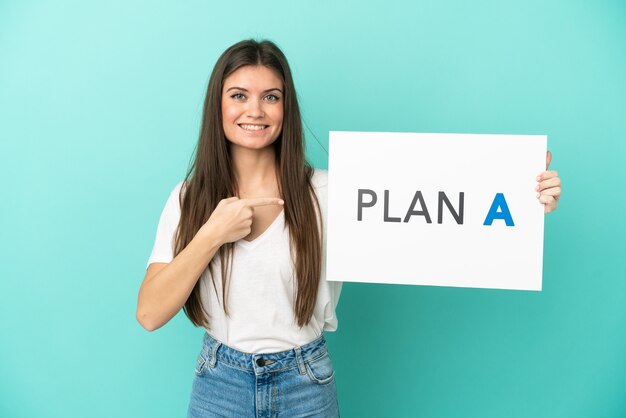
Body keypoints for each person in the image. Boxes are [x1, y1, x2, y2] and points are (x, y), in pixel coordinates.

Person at [136, 39, 562, 417]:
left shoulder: (331, 193)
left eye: (270, 96)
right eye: (238, 95)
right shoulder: (189, 198)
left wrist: (523, 199)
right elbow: (150, 312)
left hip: (305, 384)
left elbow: (439, 218)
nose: (255, 110)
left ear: (286, 108)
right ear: (219, 105)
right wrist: (211, 233)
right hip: (219, 384)